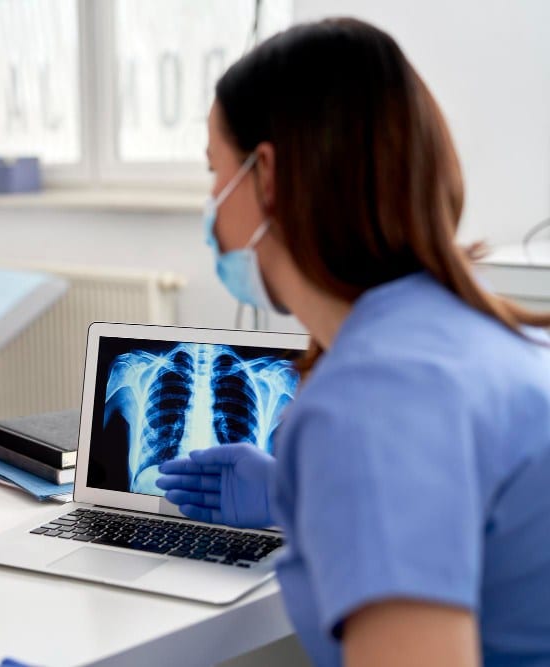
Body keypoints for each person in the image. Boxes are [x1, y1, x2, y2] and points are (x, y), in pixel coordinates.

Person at [156, 18, 550, 667]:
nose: (211, 207)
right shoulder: (475, 331)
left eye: (213, 174)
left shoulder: (372, 399)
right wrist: (294, 490)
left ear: (269, 177)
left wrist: (345, 469)